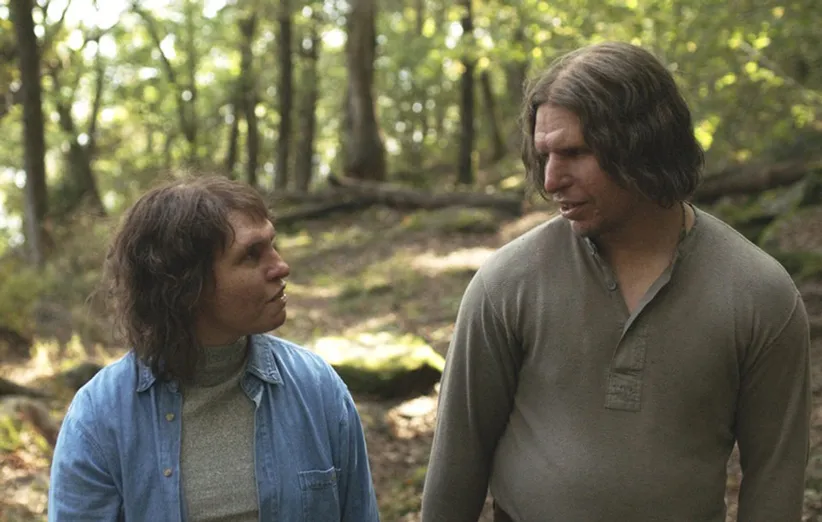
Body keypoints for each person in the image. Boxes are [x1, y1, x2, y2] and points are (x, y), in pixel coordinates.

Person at [421, 41, 811, 522]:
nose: (551, 180)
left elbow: (775, 479)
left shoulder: (758, 294)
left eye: (574, 152)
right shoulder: (507, 283)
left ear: (643, 144)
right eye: (544, 155)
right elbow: (456, 463)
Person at [48, 175, 380, 522]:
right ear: (187, 286)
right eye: (251, 255)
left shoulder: (316, 388)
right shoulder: (100, 420)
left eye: (273, 244)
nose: (281, 266)